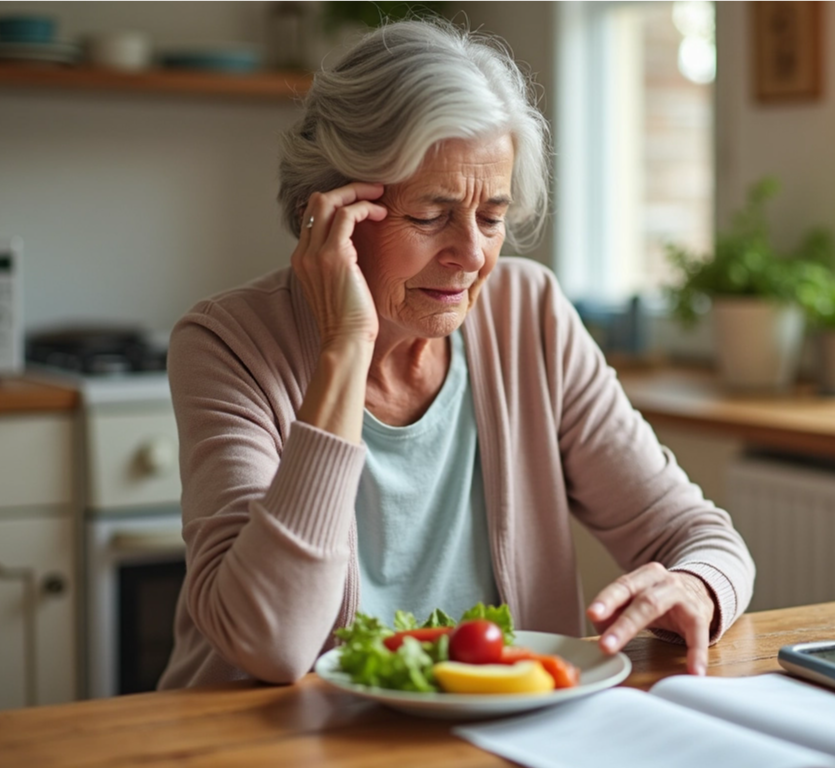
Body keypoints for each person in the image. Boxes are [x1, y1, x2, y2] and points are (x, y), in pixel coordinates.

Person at [157, 18, 754, 690]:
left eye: (492, 217)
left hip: (500, 736)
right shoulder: (225, 344)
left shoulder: (530, 315)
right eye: (430, 214)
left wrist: (699, 584)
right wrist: (345, 351)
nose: (471, 255)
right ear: (325, 214)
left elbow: (698, 534)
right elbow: (270, 643)